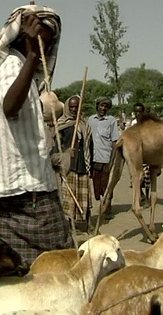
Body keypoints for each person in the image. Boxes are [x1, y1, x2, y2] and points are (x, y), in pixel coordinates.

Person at [0, 4, 73, 266]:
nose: (43, 50)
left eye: (47, 46)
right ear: (21, 36)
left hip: (15, 196)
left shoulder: (19, 69)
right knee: (63, 266)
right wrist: (32, 57)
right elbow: (10, 107)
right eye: (38, 41)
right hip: (31, 194)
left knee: (18, 274)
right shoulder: (13, 65)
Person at [52, 96, 92, 232]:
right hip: (69, 166)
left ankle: (87, 223)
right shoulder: (62, 124)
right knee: (68, 198)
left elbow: (88, 146)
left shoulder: (83, 124)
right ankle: (68, 226)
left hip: (82, 164)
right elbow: (56, 146)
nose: (75, 109)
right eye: (72, 107)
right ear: (68, 108)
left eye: (77, 107)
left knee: (85, 196)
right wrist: (66, 152)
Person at [87, 97, 119, 220]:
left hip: (106, 158)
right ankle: (101, 204)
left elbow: (114, 142)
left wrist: (112, 160)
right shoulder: (90, 120)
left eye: (106, 106)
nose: (103, 108)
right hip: (94, 158)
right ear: (97, 106)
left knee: (106, 186)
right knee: (97, 185)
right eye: (101, 105)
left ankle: (107, 208)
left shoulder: (111, 121)